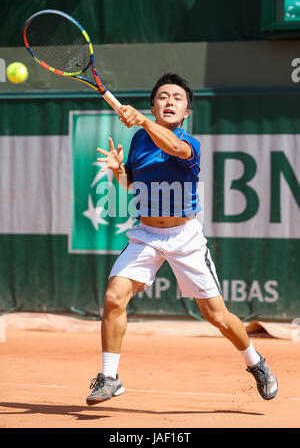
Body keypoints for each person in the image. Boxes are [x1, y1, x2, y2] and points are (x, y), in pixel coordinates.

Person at [86, 73, 278, 405]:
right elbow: (132, 185)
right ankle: (109, 377)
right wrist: (120, 170)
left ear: (187, 111)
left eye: (177, 97)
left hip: (184, 238)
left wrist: (143, 121)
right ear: (154, 105)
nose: (170, 101)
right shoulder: (140, 141)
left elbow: (173, 147)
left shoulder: (189, 143)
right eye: (163, 96)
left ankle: (256, 362)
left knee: (217, 316)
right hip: (146, 234)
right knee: (114, 298)